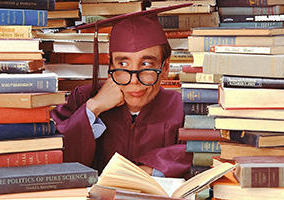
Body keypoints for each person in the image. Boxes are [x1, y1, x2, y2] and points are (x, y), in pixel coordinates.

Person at [51, 3, 193, 178]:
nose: (134, 81)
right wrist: (93, 108)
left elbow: (202, 154)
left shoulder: (184, 109)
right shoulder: (82, 98)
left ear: (165, 67)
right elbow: (50, 151)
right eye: (123, 64)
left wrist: (146, 170)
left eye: (146, 64)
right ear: (110, 64)